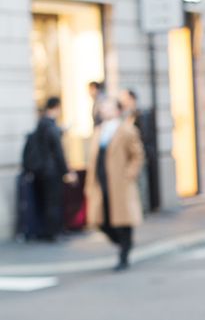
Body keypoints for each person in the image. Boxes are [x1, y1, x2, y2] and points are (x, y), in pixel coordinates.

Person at [85, 96, 144, 271]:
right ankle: (124, 244)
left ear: (117, 111)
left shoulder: (127, 130)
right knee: (102, 221)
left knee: (123, 221)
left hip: (120, 183)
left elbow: (137, 155)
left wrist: (129, 175)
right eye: (103, 107)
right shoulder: (99, 131)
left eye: (108, 107)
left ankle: (124, 254)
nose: (104, 110)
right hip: (101, 182)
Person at [28, 97, 76, 240]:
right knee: (54, 202)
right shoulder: (50, 126)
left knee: (47, 202)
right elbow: (58, 152)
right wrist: (66, 171)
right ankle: (53, 232)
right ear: (56, 107)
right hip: (52, 171)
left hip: (41, 170)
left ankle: (48, 231)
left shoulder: (41, 125)